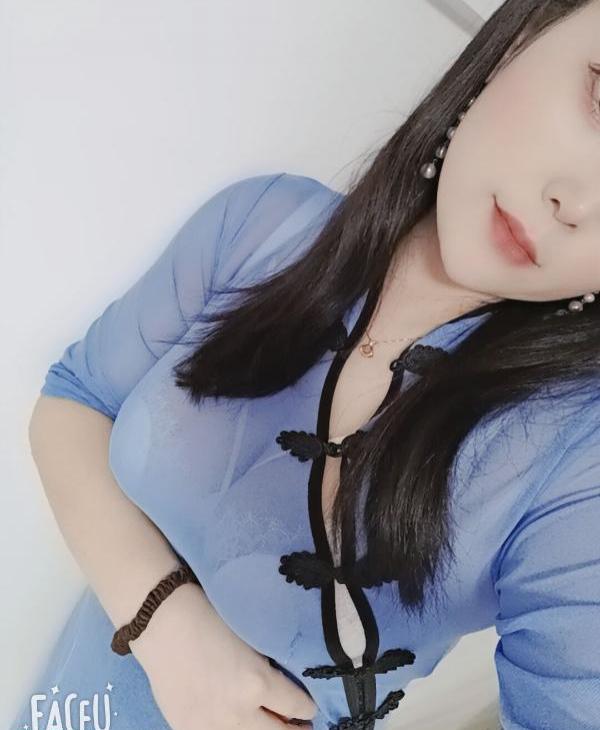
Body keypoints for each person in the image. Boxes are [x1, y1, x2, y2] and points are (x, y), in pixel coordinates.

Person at [14, 1, 600, 729]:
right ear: (526, 33)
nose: (576, 202)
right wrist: (168, 630)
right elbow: (74, 400)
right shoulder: (265, 227)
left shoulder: (573, 462)